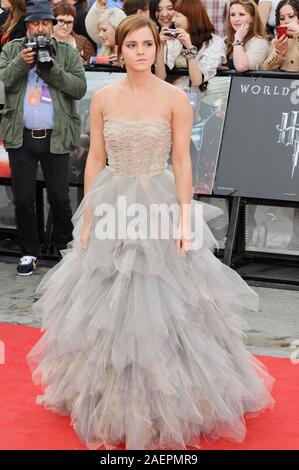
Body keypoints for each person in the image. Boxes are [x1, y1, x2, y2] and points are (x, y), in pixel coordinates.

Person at [27, 14, 274, 451]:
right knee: (104, 296)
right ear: (119, 51)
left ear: (156, 48)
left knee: (169, 299)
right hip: (113, 198)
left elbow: (182, 163)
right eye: (133, 45)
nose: (141, 52)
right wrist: (88, 214)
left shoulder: (175, 99)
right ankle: (106, 393)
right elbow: (95, 159)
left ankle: (171, 395)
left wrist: (184, 218)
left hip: (157, 202)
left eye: (147, 45)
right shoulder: (104, 98)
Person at [0, 0, 87, 275]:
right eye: (35, 23)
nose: (41, 29)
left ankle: (65, 248)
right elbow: (1, 83)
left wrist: (52, 71)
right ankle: (29, 252)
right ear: (27, 25)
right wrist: (20, 64)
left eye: (46, 23)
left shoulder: (66, 52)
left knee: (60, 197)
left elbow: (79, 88)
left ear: (51, 25)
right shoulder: (12, 50)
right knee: (24, 199)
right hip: (21, 136)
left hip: (56, 136)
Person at [155, 0, 226, 87]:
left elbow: (197, 81)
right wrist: (160, 46)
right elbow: (159, 78)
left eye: (177, 16)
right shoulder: (174, 40)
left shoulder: (214, 42)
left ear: (192, 17)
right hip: (174, 94)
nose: (173, 20)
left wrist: (189, 48)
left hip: (205, 96)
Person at [226, 0, 269, 72]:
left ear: (252, 18)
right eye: (233, 14)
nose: (236, 19)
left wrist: (238, 39)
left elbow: (242, 67)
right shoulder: (226, 40)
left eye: (241, 14)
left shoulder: (259, 42)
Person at [261, 0, 299, 71]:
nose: (286, 21)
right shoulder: (276, 41)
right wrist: (278, 54)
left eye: (291, 16)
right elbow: (264, 69)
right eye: (282, 18)